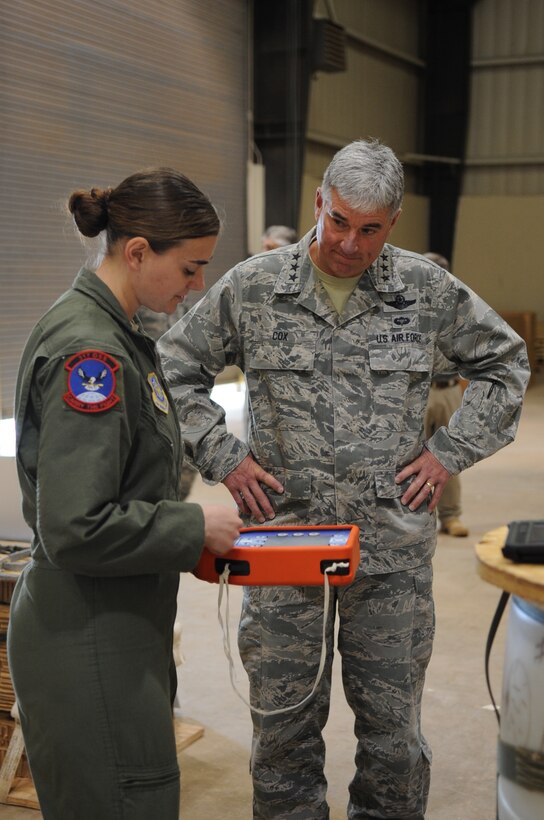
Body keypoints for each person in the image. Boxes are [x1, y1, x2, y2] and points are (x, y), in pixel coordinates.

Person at [158, 140, 530, 820]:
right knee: (282, 730)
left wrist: (448, 452)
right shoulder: (256, 285)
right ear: (319, 203)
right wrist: (224, 456)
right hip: (282, 545)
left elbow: (507, 365)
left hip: (390, 551)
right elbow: (175, 363)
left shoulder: (425, 290)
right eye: (338, 222)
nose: (350, 244)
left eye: (370, 229)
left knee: (392, 737)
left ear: (392, 224)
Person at [7, 167, 242, 820]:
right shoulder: (92, 354)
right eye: (191, 268)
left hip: (119, 620)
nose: (197, 287)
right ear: (137, 251)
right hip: (87, 632)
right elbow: (75, 525)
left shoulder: (121, 337)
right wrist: (193, 528)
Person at [423, 252, 469, 537]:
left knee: (446, 457)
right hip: (418, 391)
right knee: (407, 456)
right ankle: (414, 518)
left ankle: (450, 516)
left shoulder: (459, 307)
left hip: (448, 388)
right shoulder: (404, 307)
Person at [138, 302, 198, 499]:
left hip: (183, 404)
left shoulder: (183, 302)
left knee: (182, 480)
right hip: (150, 403)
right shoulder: (141, 298)